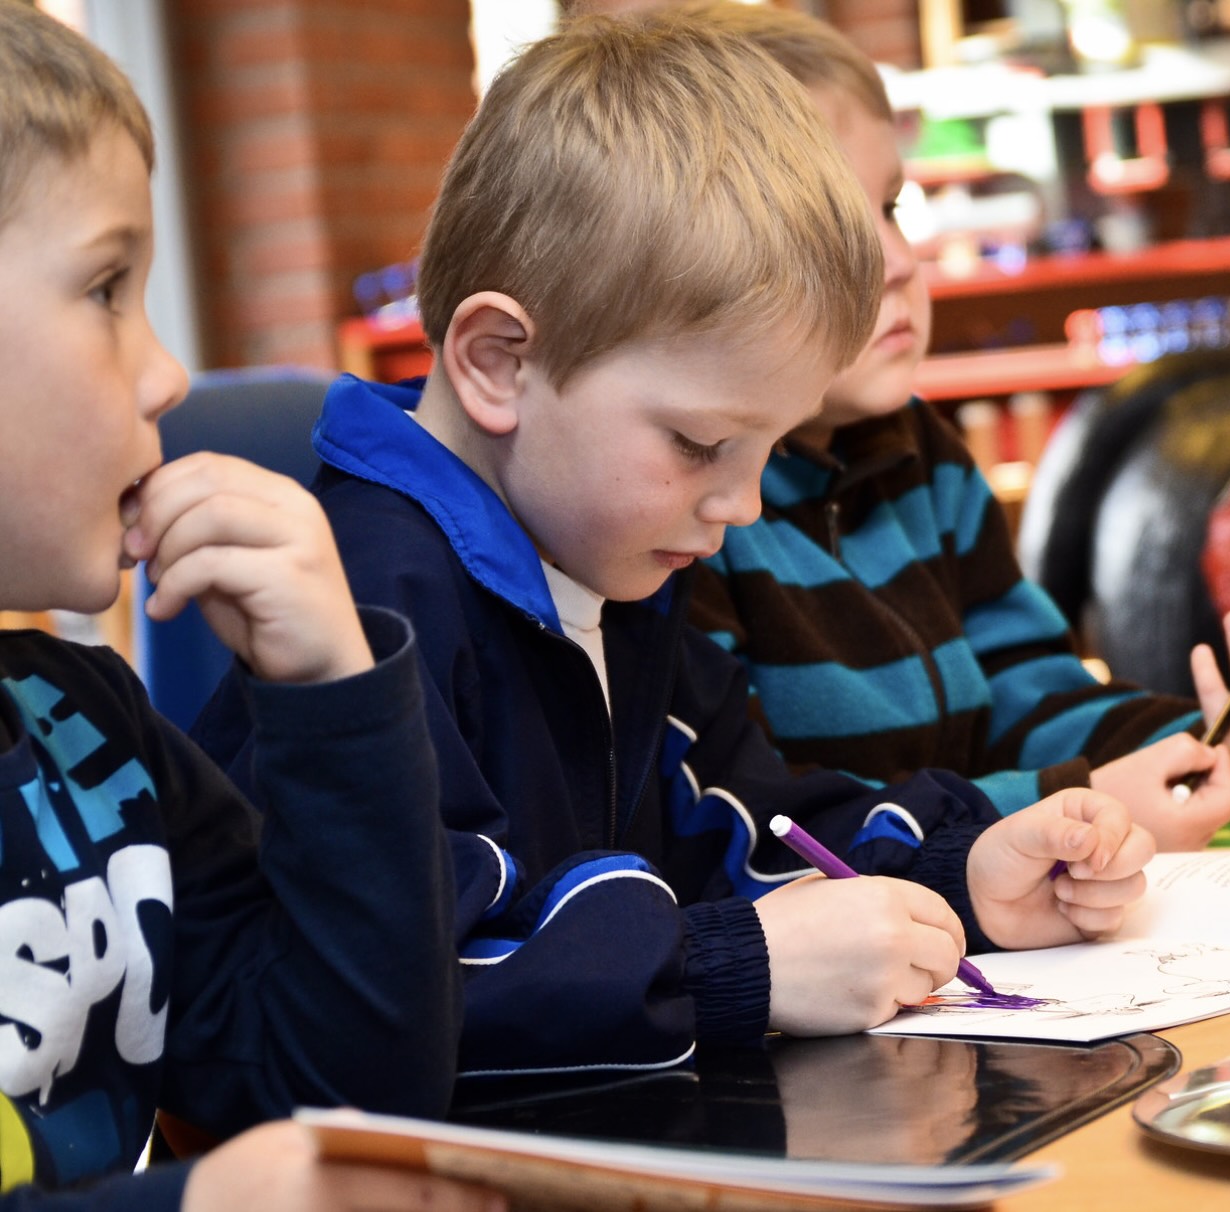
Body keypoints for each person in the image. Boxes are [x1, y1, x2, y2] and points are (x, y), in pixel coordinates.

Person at [192, 10, 1155, 1080]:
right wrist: (729, 963)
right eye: (701, 444)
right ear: (500, 362)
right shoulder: (370, 602)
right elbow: (406, 988)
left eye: (768, 450)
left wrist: (963, 871)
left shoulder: (604, 559)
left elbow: (753, 819)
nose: (740, 505)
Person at [0, 8, 498, 1210]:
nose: (169, 373)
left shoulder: (86, 733)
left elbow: (352, 1091)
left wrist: (333, 696)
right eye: (108, 287)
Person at [680, 1, 1230, 851]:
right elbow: (771, 824)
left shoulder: (925, 456)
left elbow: (1028, 688)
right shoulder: (693, 512)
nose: (900, 260)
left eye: (891, 207)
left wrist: (1205, 747)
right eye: (837, 228)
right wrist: (1069, 799)